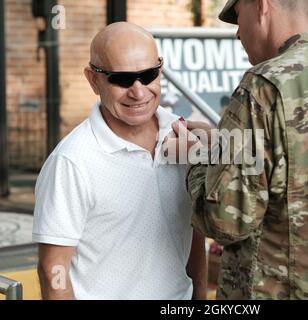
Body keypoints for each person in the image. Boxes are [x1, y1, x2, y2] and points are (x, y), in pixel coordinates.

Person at [173, 0, 308, 299]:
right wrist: (221, 147)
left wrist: (196, 157)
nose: (237, 34)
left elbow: (225, 220)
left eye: (238, 17)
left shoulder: (263, 86)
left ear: (261, 6)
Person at [32, 22, 207, 300]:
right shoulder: (72, 161)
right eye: (122, 79)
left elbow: (194, 231)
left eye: (148, 75)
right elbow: (53, 268)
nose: (138, 92)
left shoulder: (184, 139)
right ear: (93, 80)